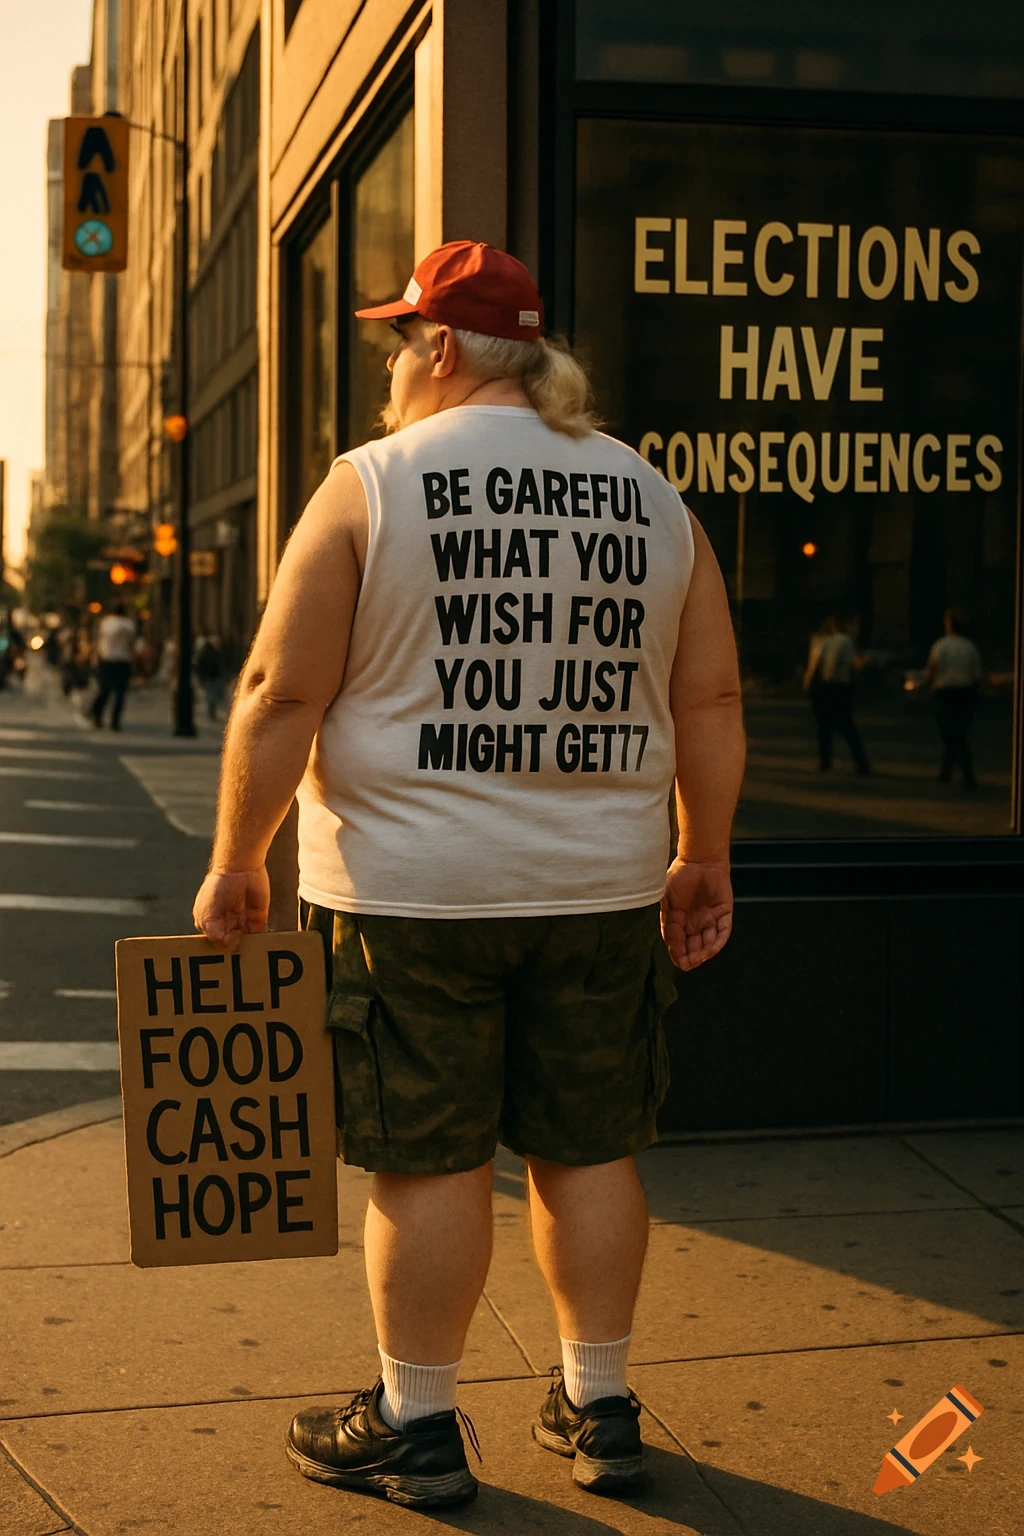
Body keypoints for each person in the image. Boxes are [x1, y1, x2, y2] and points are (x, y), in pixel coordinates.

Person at [192, 240, 745, 1509]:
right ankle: (599, 1404)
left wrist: (239, 860)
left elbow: (282, 693)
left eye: (400, 338)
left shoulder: (368, 485)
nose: (391, 362)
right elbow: (708, 692)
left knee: (430, 1160)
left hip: (407, 898)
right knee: (591, 1147)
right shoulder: (651, 497)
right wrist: (698, 852)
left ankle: (417, 1424)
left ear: (443, 347)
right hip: (600, 891)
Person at [803, 615, 870, 774]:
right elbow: (854, 665)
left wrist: (808, 683)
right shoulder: (846, 641)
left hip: (825, 686)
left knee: (824, 726)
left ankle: (825, 761)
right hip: (841, 686)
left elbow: (816, 663)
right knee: (847, 726)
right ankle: (860, 762)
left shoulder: (826, 641)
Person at [927, 607, 983, 789]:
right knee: (957, 732)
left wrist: (930, 685)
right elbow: (976, 674)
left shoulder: (941, 645)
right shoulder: (970, 647)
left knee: (951, 734)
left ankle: (966, 773)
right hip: (965, 693)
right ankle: (947, 771)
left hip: (945, 693)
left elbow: (933, 668)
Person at [90, 602, 136, 730]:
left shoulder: (106, 623)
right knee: (120, 694)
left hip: (107, 660)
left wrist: (96, 658)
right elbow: (131, 644)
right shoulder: (129, 624)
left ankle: (97, 714)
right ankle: (115, 722)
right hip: (123, 661)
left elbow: (100, 641)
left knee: (104, 690)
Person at [193, 633, 227, 719]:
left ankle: (212, 710)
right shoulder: (206, 652)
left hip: (217, 676)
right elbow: (200, 665)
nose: (217, 644)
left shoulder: (218, 652)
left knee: (216, 694)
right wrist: (202, 676)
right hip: (210, 677)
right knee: (211, 696)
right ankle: (211, 712)